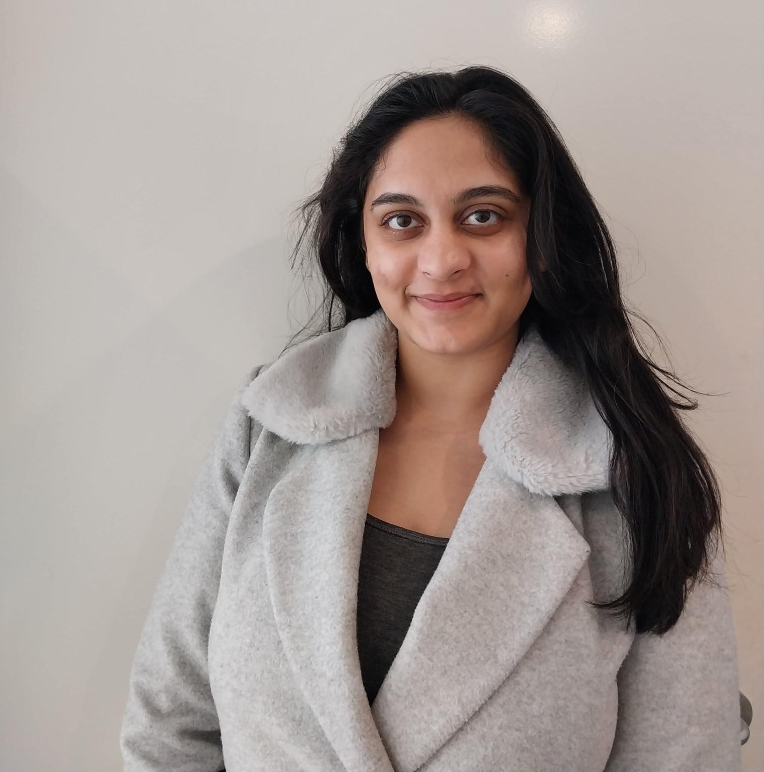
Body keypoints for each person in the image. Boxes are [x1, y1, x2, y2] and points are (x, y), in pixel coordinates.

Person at [120, 66, 743, 771]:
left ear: (541, 236)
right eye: (402, 221)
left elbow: (686, 756)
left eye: (484, 216)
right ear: (363, 241)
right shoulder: (268, 426)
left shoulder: (635, 474)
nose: (442, 260)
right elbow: (168, 726)